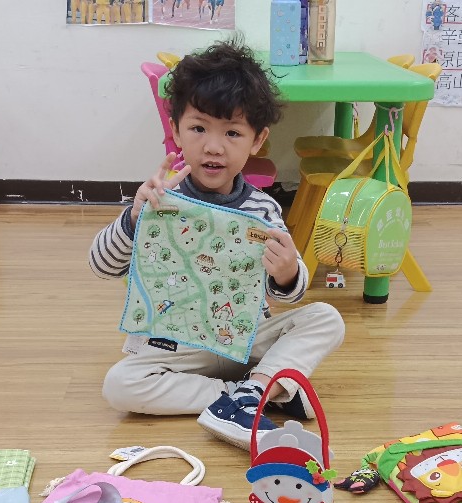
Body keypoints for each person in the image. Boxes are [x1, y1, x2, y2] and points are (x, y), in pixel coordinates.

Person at [89, 39, 345, 449]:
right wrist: (135, 218)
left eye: (232, 132)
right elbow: (101, 265)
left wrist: (287, 272)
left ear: (257, 141)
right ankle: (250, 395)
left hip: (246, 339)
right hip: (180, 345)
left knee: (326, 317)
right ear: (176, 130)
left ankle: (253, 390)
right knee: (119, 386)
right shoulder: (159, 199)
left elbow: (292, 293)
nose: (213, 146)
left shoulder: (263, 208)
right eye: (198, 128)